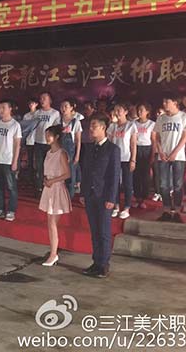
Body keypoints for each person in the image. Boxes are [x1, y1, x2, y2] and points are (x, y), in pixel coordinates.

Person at [79, 114, 120, 279]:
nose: (91, 129)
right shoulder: (89, 148)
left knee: (104, 231)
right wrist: (83, 192)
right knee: (94, 231)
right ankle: (96, 262)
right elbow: (85, 172)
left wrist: (112, 198)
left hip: (104, 196)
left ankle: (104, 264)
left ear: (103, 128)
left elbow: (114, 176)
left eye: (94, 126)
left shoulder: (112, 149)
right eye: (90, 126)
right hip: (90, 195)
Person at [152, 96, 186, 222]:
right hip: (163, 156)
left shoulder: (184, 117)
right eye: (163, 101)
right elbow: (157, 136)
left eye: (166, 101)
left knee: (178, 185)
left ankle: (177, 211)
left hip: (178, 156)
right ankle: (166, 210)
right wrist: (160, 151)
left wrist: (175, 152)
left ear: (175, 102)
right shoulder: (161, 118)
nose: (164, 103)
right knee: (163, 185)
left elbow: (185, 137)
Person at [39, 125, 72, 267]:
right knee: (50, 222)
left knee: (52, 223)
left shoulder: (61, 153)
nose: (47, 138)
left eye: (49, 135)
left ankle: (53, 254)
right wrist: (46, 180)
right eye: (46, 135)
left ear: (56, 137)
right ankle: (53, 252)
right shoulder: (48, 153)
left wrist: (52, 181)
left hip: (57, 188)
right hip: (49, 188)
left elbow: (67, 174)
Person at [0, 99, 22, 222]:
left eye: (4, 108)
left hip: (8, 160)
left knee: (11, 187)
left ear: (10, 109)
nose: (1, 110)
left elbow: (17, 145)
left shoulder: (15, 125)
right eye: (0, 108)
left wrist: (15, 161)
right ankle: (0, 209)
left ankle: (11, 211)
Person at [107, 102, 137, 219]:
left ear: (125, 112)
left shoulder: (131, 126)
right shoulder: (112, 126)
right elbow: (109, 143)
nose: (117, 112)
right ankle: (116, 206)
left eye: (119, 110)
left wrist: (133, 160)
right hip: (114, 159)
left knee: (127, 183)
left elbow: (133, 144)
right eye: (115, 110)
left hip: (126, 158)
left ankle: (127, 207)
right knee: (115, 183)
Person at [33, 92, 61, 197]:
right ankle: (39, 187)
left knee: (50, 167)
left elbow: (57, 129)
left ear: (50, 100)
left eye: (44, 98)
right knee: (39, 166)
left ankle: (50, 187)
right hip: (38, 142)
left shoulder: (55, 113)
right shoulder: (37, 113)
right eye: (41, 98)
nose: (42, 100)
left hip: (49, 144)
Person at [133, 102, 155, 209]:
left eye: (142, 110)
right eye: (138, 110)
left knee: (145, 175)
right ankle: (137, 197)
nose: (139, 112)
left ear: (147, 112)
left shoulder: (151, 124)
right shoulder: (133, 123)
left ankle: (144, 198)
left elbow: (154, 140)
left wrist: (153, 155)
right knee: (136, 174)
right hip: (136, 148)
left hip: (147, 149)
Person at [59, 98, 82, 199]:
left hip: (71, 152)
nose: (63, 109)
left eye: (66, 106)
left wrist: (77, 155)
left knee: (71, 175)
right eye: (62, 106)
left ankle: (69, 196)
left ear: (71, 108)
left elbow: (78, 140)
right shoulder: (58, 121)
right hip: (60, 151)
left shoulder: (76, 122)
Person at [22, 98, 39, 186]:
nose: (31, 105)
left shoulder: (39, 114)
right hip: (29, 140)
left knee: (38, 161)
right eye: (30, 104)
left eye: (33, 103)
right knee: (30, 160)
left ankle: (38, 178)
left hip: (38, 140)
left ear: (36, 104)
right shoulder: (26, 116)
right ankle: (30, 178)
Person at [151, 106, 166, 202]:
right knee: (156, 173)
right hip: (156, 151)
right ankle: (157, 192)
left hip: (165, 152)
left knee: (164, 173)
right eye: (157, 112)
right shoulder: (153, 125)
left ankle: (164, 192)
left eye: (160, 112)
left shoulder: (166, 124)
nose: (158, 114)